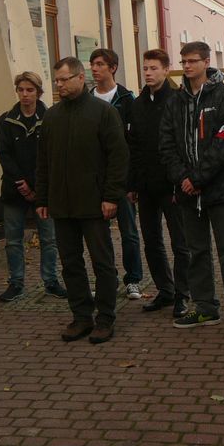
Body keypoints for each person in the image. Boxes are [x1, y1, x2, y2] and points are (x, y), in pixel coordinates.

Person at [159, 41, 224, 336]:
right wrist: (183, 178)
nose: (187, 66)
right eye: (183, 61)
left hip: (220, 190)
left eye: (193, 61)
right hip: (186, 192)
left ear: (206, 62)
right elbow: (167, 143)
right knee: (196, 251)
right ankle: (205, 308)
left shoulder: (222, 95)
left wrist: (199, 178)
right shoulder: (175, 101)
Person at [36, 57, 129, 344]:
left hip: (94, 203)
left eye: (64, 79)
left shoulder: (102, 113)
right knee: (71, 263)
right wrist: (42, 197)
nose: (59, 85)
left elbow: (118, 157)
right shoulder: (52, 116)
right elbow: (43, 161)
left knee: (102, 263)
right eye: (57, 81)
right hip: (62, 205)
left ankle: (105, 318)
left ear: (80, 78)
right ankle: (81, 316)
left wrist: (111, 196)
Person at [0, 71, 66, 302]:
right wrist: (22, 184)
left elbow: (52, 154)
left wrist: (36, 186)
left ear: (38, 92)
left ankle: (51, 281)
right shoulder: (5, 120)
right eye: (21, 90)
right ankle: (16, 283)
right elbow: (4, 154)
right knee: (13, 240)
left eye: (30, 90)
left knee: (49, 239)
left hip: (44, 189)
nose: (25, 95)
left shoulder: (52, 118)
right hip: (14, 189)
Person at [130, 49, 190, 317]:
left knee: (180, 243)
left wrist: (180, 179)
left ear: (167, 70)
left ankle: (182, 294)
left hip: (172, 184)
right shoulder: (138, 103)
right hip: (145, 186)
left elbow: (183, 144)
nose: (148, 73)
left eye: (153, 68)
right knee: (151, 241)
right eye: (145, 69)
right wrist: (132, 183)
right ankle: (165, 290)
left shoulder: (177, 100)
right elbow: (133, 146)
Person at [90, 48, 143, 300]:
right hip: (93, 178)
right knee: (98, 235)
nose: (94, 68)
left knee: (129, 232)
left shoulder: (126, 99)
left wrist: (132, 182)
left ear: (112, 68)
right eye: (92, 64)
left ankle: (133, 279)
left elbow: (133, 143)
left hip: (121, 178)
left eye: (100, 64)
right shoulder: (87, 99)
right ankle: (105, 279)